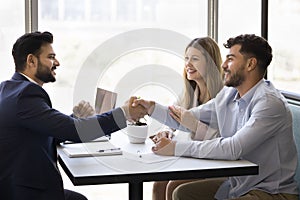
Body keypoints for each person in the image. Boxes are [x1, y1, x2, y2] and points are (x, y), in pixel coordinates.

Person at [133, 34, 299, 200]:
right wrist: (151, 108)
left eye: (230, 59)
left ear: (250, 64)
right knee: (182, 193)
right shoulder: (229, 94)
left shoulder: (269, 104)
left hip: (270, 191)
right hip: (237, 184)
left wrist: (175, 147)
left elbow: (232, 148)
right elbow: (187, 117)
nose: (223, 65)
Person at [0, 31, 146, 200]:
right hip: (26, 193)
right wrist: (125, 113)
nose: (57, 62)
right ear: (31, 60)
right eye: (51, 57)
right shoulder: (26, 95)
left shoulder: (9, 89)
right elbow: (75, 131)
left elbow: (40, 131)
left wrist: (74, 117)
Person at [151, 37, 223, 200]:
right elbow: (172, 117)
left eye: (195, 59)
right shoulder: (189, 91)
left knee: (173, 185)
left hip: (213, 161)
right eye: (186, 59)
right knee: (158, 184)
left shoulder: (223, 96)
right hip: (189, 158)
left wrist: (194, 126)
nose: (188, 64)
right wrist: (166, 132)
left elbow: (222, 139)